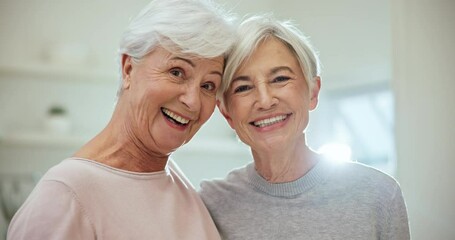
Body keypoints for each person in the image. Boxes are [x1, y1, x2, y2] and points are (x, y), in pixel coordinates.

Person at [7, 0, 236, 239]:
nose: (193, 101)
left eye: (208, 85)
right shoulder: (65, 197)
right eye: (176, 72)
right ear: (128, 69)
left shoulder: (173, 180)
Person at [199, 15, 410, 240]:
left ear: (313, 92)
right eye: (243, 87)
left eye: (280, 79)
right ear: (226, 112)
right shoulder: (209, 204)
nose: (265, 100)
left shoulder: (379, 194)